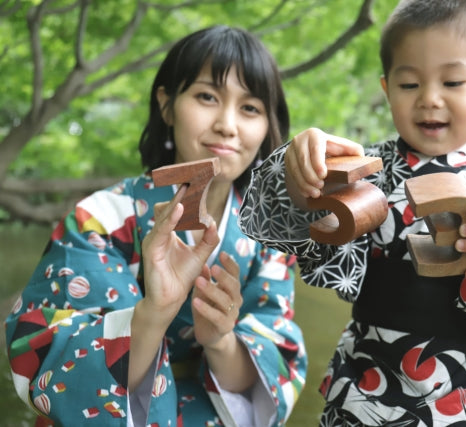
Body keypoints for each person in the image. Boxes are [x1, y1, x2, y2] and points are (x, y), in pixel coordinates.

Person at [239, 0, 466, 425]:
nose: (430, 99)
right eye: (410, 85)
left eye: (453, 81)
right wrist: (298, 173)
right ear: (386, 89)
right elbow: (273, 229)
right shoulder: (364, 170)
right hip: (365, 392)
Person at [5, 25, 306, 427]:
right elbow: (51, 352)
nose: (227, 125)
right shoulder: (101, 219)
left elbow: (270, 368)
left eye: (250, 108)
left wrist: (219, 340)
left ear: (269, 126)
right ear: (166, 104)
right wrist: (153, 314)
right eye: (206, 97)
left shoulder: (269, 238)